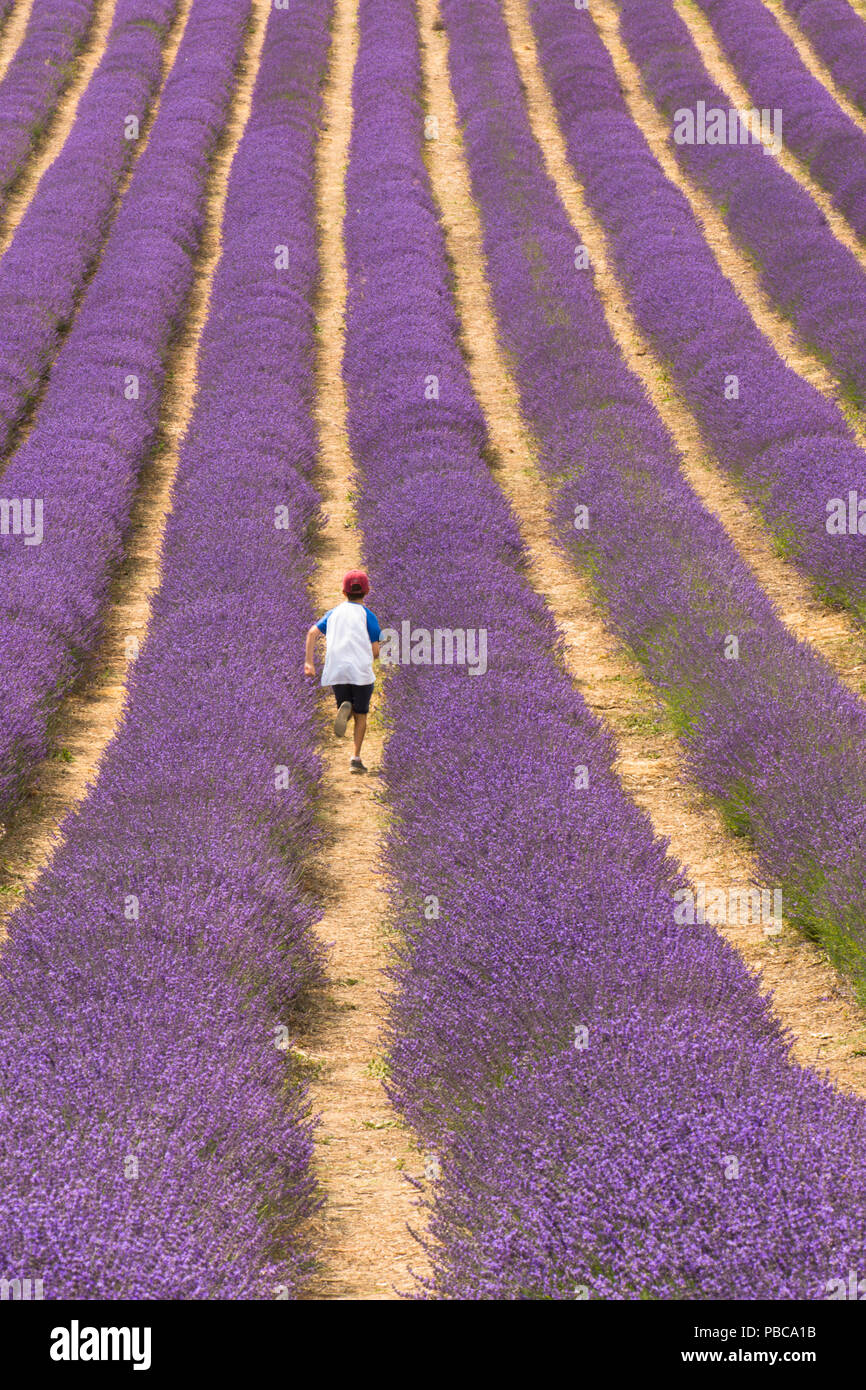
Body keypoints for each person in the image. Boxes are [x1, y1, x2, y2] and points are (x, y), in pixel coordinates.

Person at [304, 569, 381, 773]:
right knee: (362, 714)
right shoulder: (368, 616)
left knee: (345, 704)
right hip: (361, 672)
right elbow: (375, 650)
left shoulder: (334, 613)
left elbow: (312, 632)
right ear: (367, 591)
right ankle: (355, 758)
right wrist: (372, 655)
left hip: (337, 670)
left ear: (343, 592)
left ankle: (344, 709)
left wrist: (309, 662)